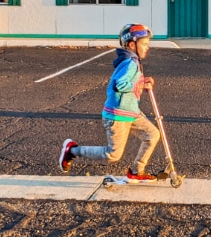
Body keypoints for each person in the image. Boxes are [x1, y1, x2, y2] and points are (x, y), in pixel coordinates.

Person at [59, 23, 161, 181]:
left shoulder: (132, 61)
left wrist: (142, 80)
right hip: (117, 115)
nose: (148, 47)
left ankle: (136, 172)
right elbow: (119, 84)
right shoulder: (130, 63)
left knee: (152, 135)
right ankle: (72, 151)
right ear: (132, 44)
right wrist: (140, 84)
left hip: (130, 112)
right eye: (145, 44)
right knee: (113, 155)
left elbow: (129, 82)